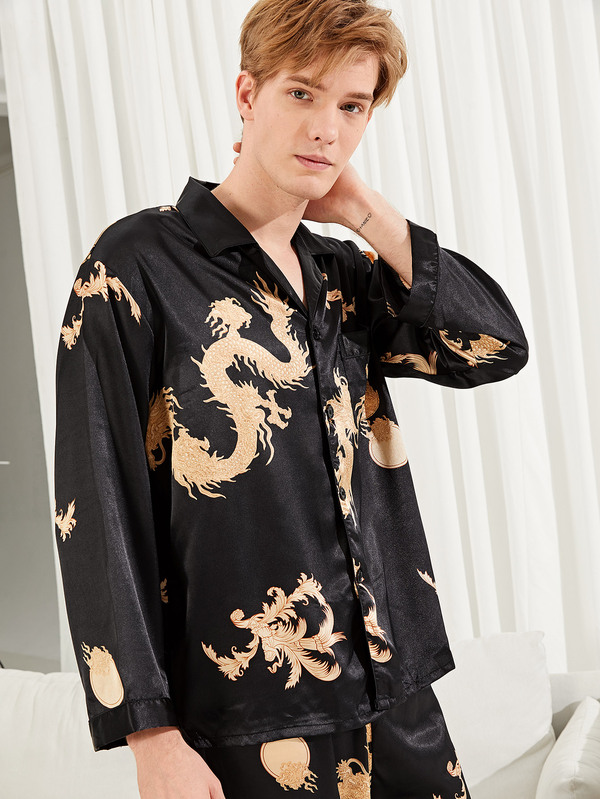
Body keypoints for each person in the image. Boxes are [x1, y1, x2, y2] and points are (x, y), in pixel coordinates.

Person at [53, 0, 528, 796]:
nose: (325, 129)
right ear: (248, 94)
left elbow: (494, 344)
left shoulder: (344, 276)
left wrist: (366, 213)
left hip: (396, 695)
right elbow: (96, 505)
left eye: (352, 106)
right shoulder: (136, 264)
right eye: (302, 93)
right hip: (249, 710)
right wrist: (150, 735)